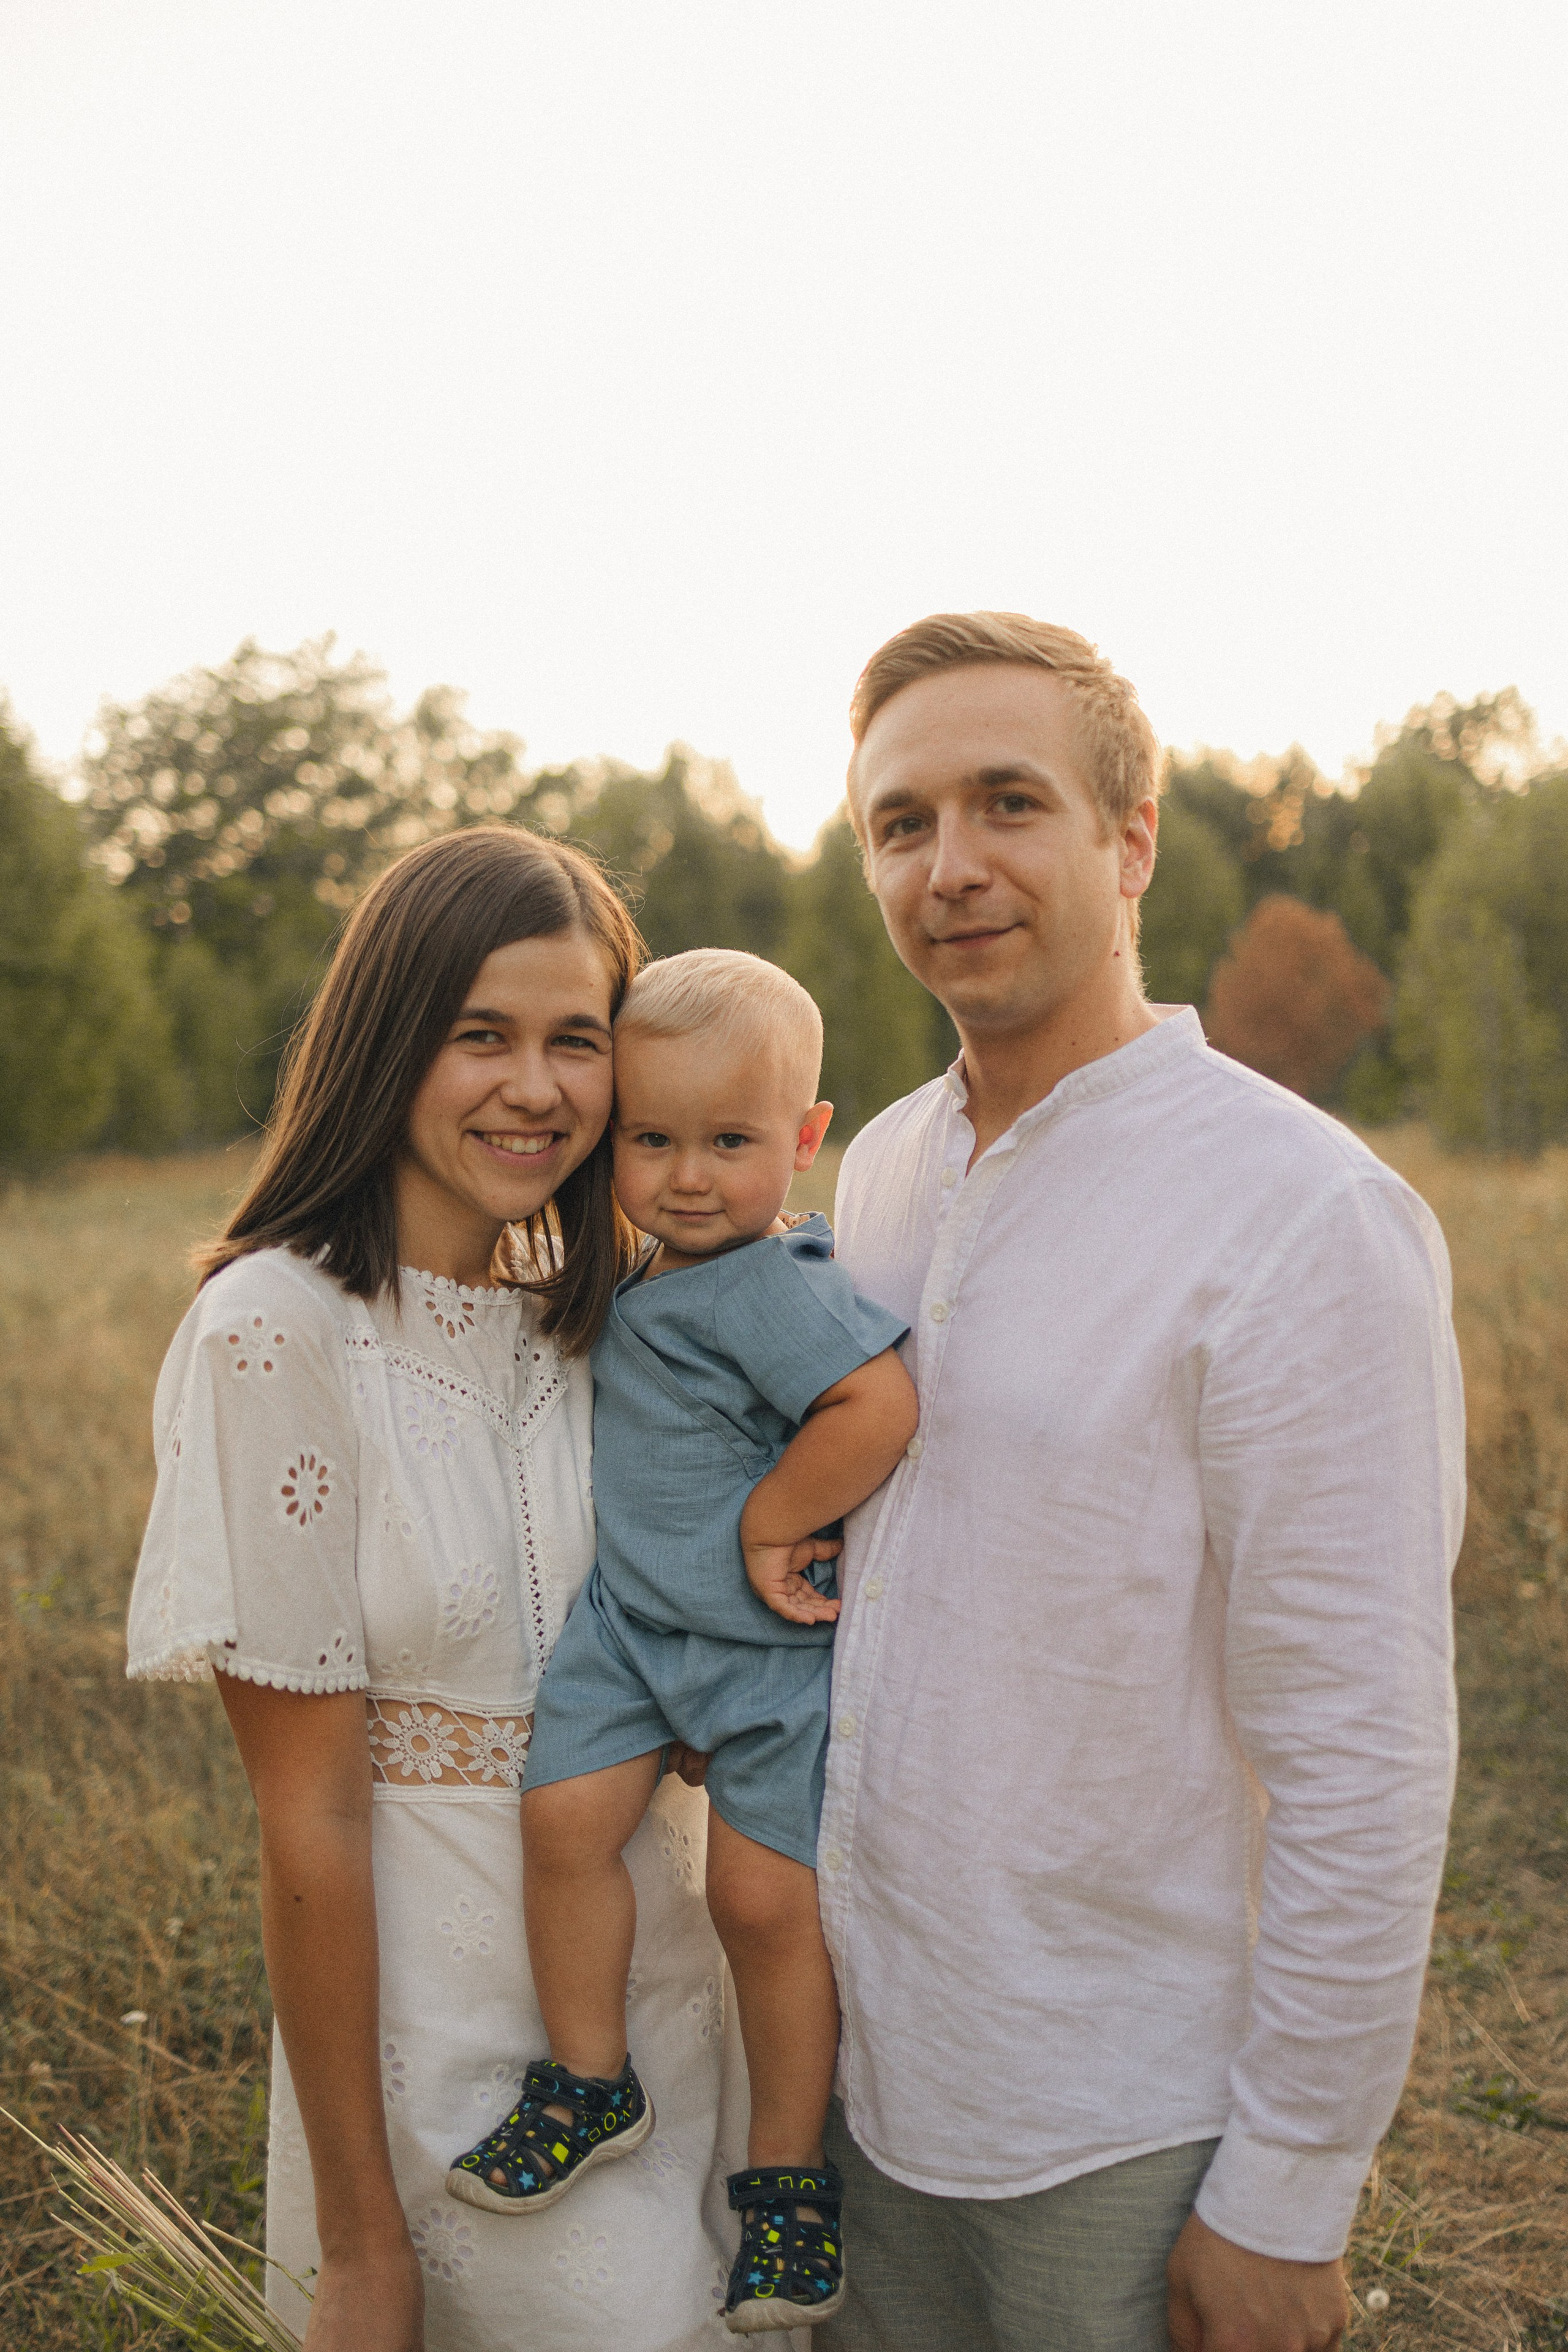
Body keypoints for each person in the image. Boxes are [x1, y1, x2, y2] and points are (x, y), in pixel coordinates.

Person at [812, 614, 1464, 2352]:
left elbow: (1363, 1748)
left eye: (1009, 803)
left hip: (1120, 2124)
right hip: (850, 2086)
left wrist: (1291, 2188)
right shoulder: (878, 1171)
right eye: (902, 822)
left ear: (1132, 840)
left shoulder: (1300, 1215)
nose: (951, 866)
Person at [126, 831, 766, 2352]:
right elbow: (311, 1815)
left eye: (576, 1041)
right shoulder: (275, 1330)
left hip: (669, 2002)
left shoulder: (613, 1321)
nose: (533, 1087)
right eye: (480, 1034)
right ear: (386, 1038)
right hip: (434, 2048)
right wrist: (359, 2244)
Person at [447, 950, 917, 2335]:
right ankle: (588, 2079)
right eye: (650, 1139)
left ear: (804, 1137)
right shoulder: (651, 1267)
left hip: (759, 1659)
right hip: (630, 1632)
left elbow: (875, 1409)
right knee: (561, 1822)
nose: (689, 1175)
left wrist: (773, 1521)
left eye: (730, 1141)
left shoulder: (774, 1282)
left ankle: (784, 2184)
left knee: (761, 1911)